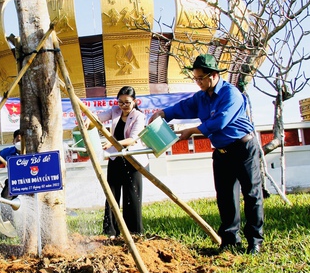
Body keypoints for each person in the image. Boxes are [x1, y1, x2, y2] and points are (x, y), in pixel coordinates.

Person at [149, 54, 264, 255]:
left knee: (251, 194)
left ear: (213, 75)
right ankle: (230, 240)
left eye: (201, 78)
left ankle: (255, 241)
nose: (198, 82)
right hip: (221, 152)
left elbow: (220, 122)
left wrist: (192, 131)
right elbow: (183, 107)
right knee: (226, 197)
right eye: (196, 78)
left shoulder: (231, 94)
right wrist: (164, 113)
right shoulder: (201, 97)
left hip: (243, 148)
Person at [96, 86, 148, 238]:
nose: (124, 106)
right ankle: (110, 231)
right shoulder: (115, 111)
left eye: (127, 102)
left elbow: (132, 139)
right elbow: (99, 118)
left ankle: (134, 232)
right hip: (116, 158)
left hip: (132, 159)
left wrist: (111, 143)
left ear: (134, 101)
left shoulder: (139, 116)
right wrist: (87, 121)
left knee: (132, 196)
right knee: (111, 193)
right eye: (120, 102)